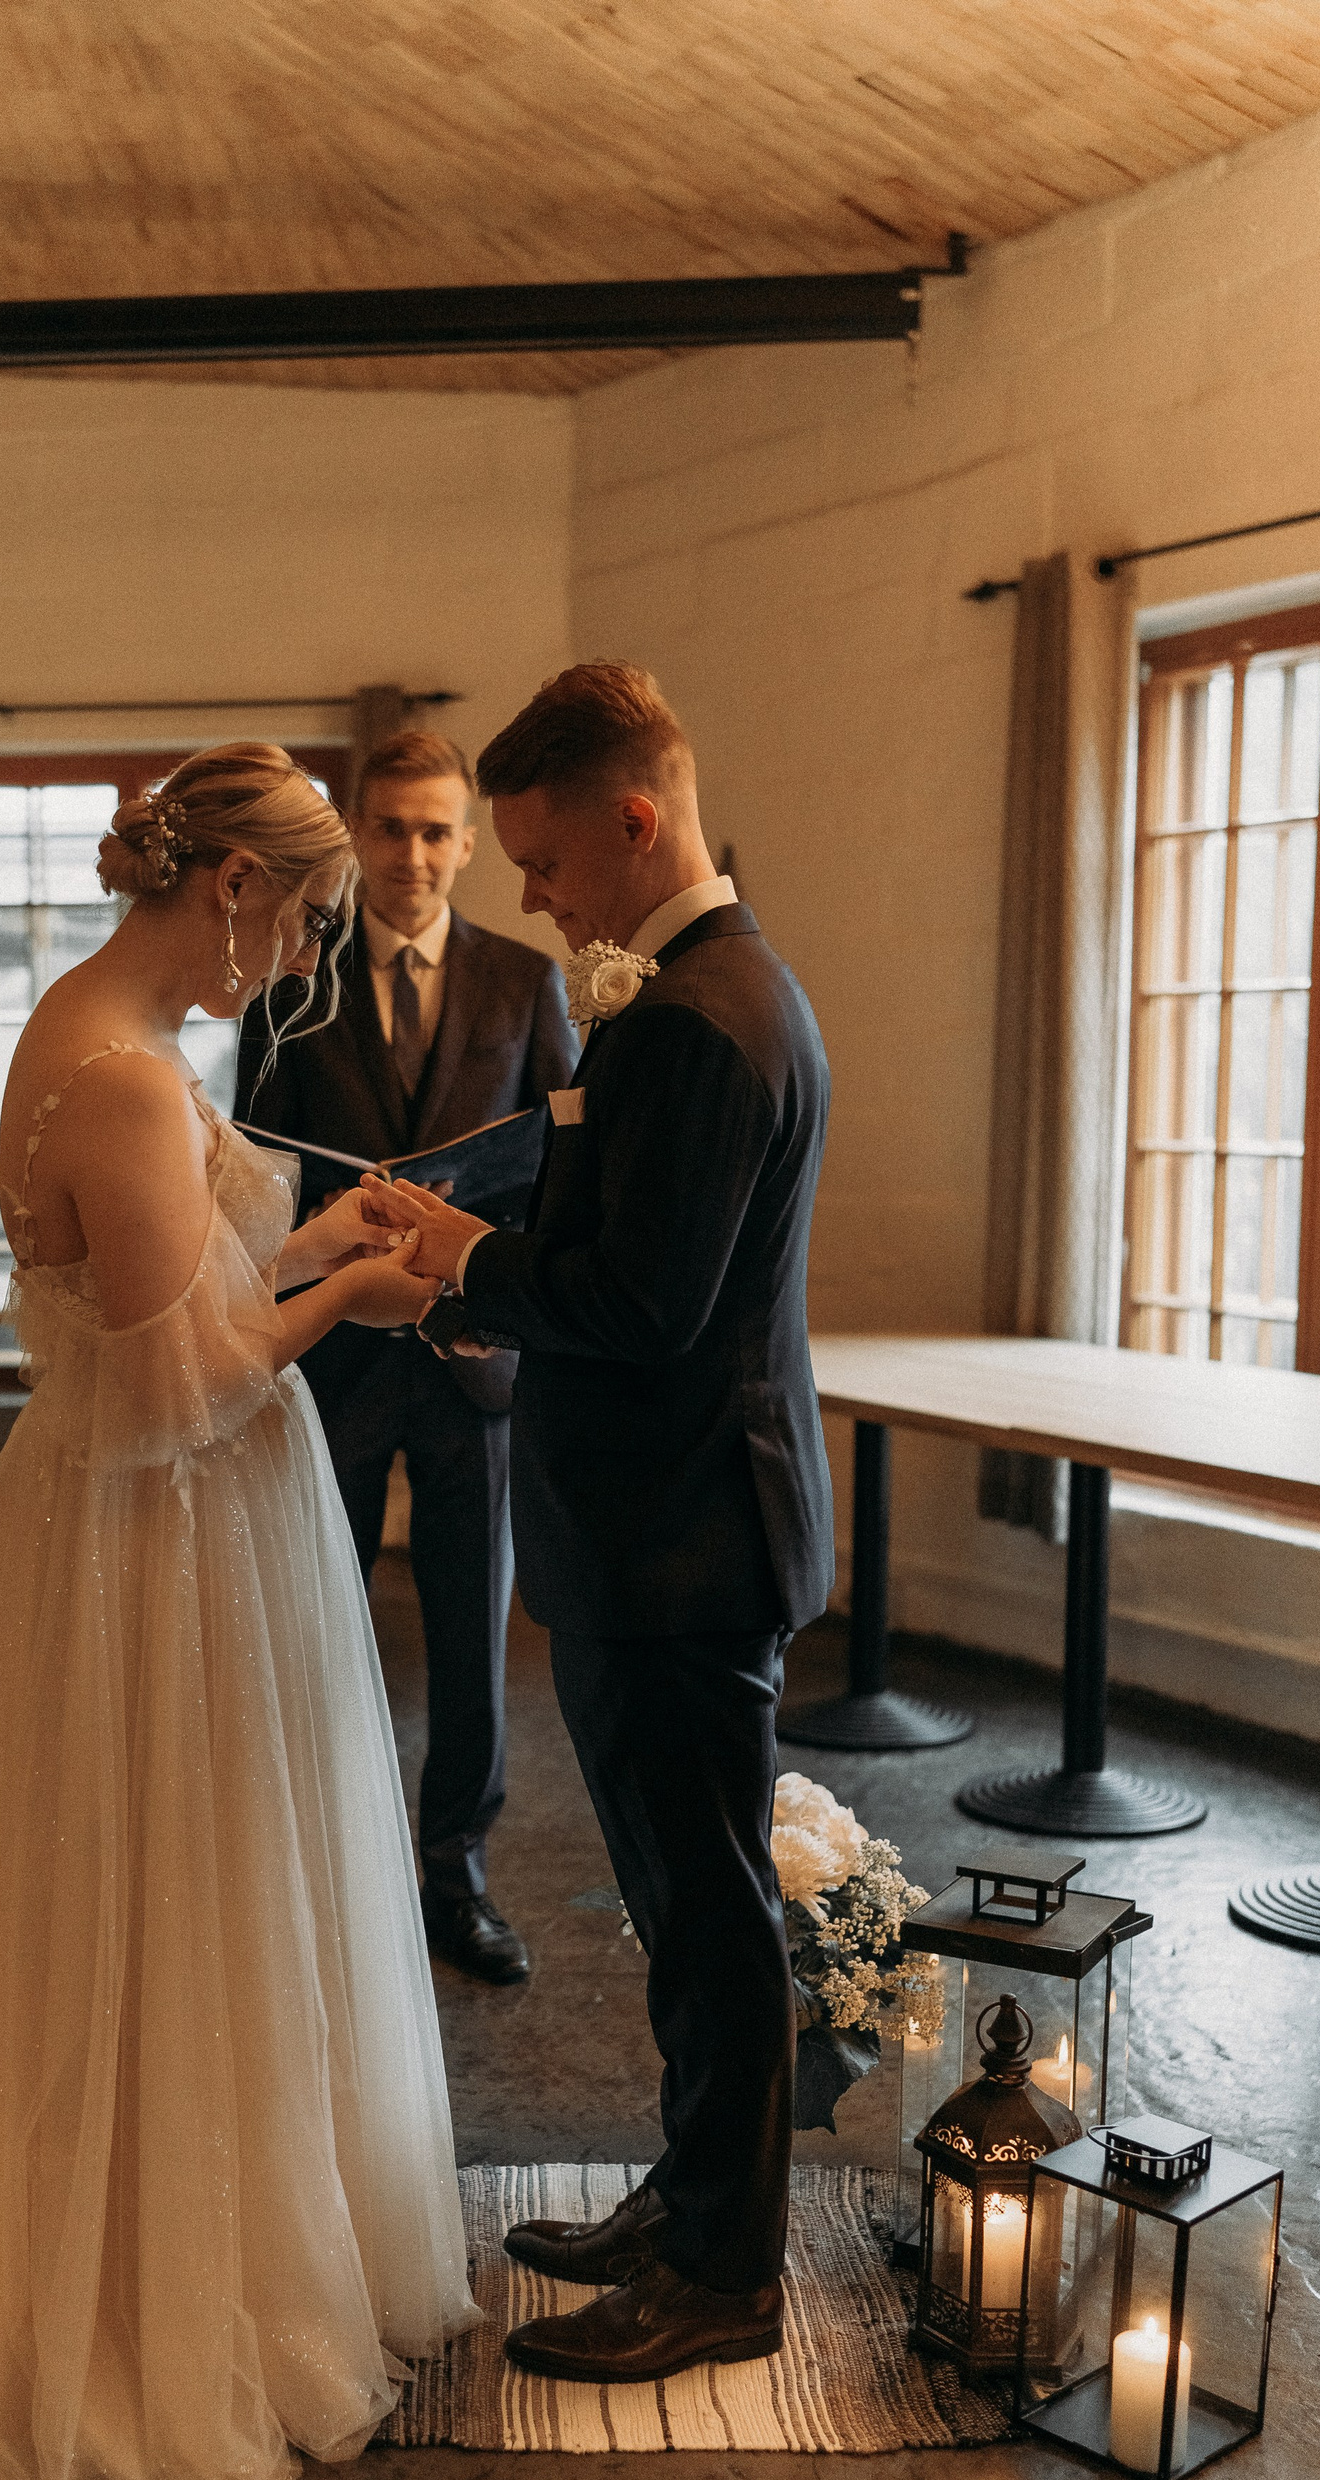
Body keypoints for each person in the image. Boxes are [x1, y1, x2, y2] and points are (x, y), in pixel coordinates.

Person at [0, 746, 480, 2480]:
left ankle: (175, 2236)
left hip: (139, 1518)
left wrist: (313, 1236)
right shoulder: (125, 1080)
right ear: (232, 884)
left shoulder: (104, 1035)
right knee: (180, 1879)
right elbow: (183, 1388)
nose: (300, 956)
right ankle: (162, 2294)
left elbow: (179, 1296)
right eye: (301, 918)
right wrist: (362, 1294)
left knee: (172, 1885)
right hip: (164, 1539)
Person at [365, 665, 834, 2385]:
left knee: (709, 1918)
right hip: (655, 1530)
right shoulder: (696, 993)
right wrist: (489, 1274)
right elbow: (630, 1257)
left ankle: (724, 2275)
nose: (538, 898)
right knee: (677, 1898)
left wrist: (464, 1261)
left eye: (547, 863)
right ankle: (692, 2199)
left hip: (686, 1540)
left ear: (636, 820)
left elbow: (645, 1304)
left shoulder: (708, 1018)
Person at [236, 730, 576, 1988]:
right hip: (331, 1359)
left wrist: (509, 1291)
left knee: (472, 1634)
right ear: (357, 833)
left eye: (437, 832)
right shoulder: (289, 984)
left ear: (468, 843)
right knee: (315, 1615)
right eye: (391, 828)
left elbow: (565, 1173)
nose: (413, 855)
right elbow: (254, 1174)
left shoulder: (527, 981)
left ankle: (455, 1875)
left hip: (474, 1362)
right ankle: (329, 1864)